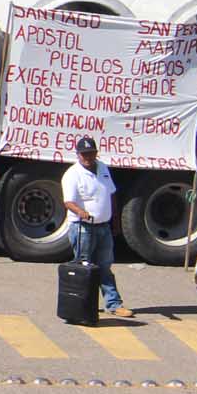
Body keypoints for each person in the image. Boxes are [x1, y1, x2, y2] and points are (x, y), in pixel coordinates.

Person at [63, 136, 132, 320]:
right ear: (78, 155)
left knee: (105, 266)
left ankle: (114, 304)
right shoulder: (72, 174)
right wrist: (81, 212)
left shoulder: (102, 168)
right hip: (82, 227)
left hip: (103, 226)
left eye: (91, 153)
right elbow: (68, 202)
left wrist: (115, 219)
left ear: (96, 152)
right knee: (84, 268)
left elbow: (111, 194)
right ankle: (83, 304)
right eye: (84, 154)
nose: (88, 157)